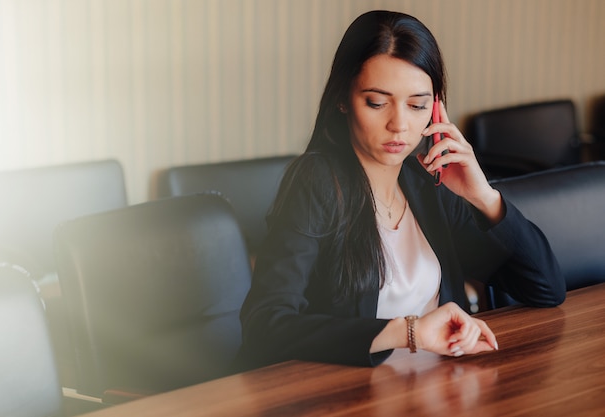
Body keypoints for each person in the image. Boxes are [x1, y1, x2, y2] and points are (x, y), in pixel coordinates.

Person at [237, 10, 565, 369]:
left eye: (417, 105)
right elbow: (265, 324)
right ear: (342, 99)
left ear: (436, 108)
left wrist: (483, 196)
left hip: (439, 388)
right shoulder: (318, 183)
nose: (399, 125)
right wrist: (407, 332)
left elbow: (545, 289)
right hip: (352, 394)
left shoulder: (428, 182)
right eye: (377, 103)